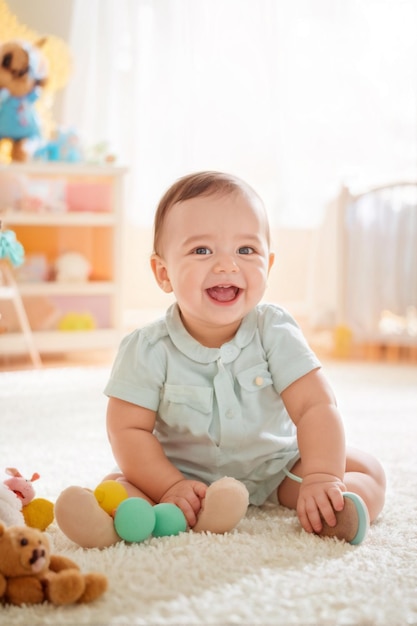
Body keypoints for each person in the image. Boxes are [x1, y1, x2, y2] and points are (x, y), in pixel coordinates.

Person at [55, 171, 386, 549]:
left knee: (365, 470)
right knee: (118, 486)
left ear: (269, 264)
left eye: (246, 250)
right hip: (178, 478)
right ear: (163, 273)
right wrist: (170, 485)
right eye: (202, 251)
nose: (227, 265)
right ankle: (126, 521)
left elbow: (315, 406)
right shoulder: (146, 348)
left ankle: (331, 512)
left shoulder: (275, 330)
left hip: (273, 472)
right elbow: (127, 431)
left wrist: (323, 476)